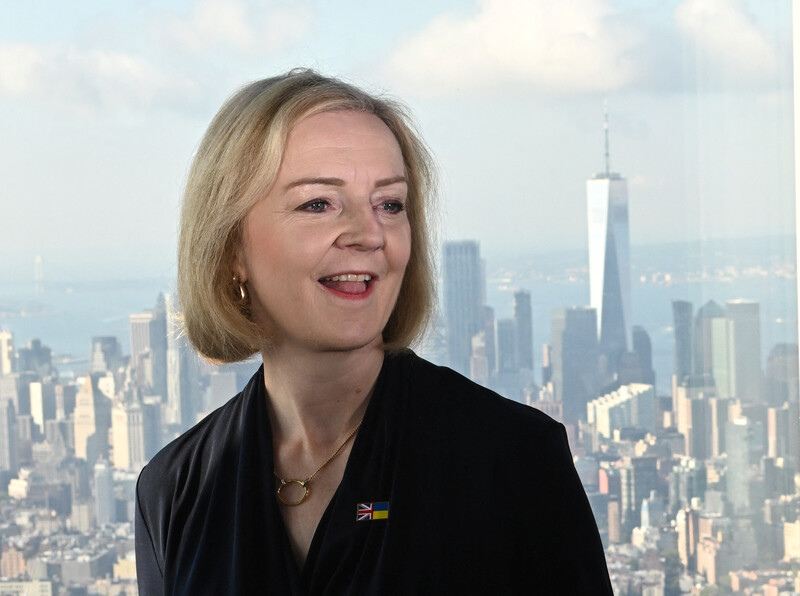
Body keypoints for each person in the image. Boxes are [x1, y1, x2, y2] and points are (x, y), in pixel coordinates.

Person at [135, 69, 613, 595]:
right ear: (232, 251)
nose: (370, 235)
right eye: (318, 204)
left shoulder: (509, 459)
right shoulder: (174, 491)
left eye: (390, 204)